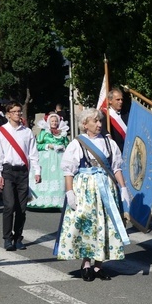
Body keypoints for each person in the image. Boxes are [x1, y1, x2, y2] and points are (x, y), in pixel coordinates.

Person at [56, 108, 131, 282]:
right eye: (95, 121)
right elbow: (69, 171)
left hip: (106, 188)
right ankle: (86, 263)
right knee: (87, 224)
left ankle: (99, 265)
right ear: (85, 124)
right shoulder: (77, 143)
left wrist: (123, 188)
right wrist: (70, 192)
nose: (99, 124)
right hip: (85, 189)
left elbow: (116, 168)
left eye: (100, 121)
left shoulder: (109, 143)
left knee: (105, 224)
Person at [0, 101, 41, 251]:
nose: (18, 114)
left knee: (22, 208)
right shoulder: (1, 131)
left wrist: (37, 171)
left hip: (22, 172)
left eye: (19, 111)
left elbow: (33, 153)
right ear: (8, 114)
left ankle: (18, 238)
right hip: (7, 171)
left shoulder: (27, 132)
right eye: (14, 111)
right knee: (9, 206)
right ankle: (7, 238)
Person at [28, 113, 69, 209]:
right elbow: (37, 145)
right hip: (46, 158)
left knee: (59, 177)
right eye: (52, 121)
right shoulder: (44, 132)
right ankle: (41, 200)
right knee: (45, 177)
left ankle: (59, 201)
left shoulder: (62, 133)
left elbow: (67, 145)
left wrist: (63, 147)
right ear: (48, 122)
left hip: (59, 158)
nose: (54, 123)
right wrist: (48, 146)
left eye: (55, 121)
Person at [100, 88, 128, 152]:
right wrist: (107, 135)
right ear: (110, 101)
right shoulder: (104, 114)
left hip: (126, 149)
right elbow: (102, 128)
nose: (121, 101)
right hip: (114, 150)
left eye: (121, 99)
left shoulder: (126, 113)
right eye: (118, 99)